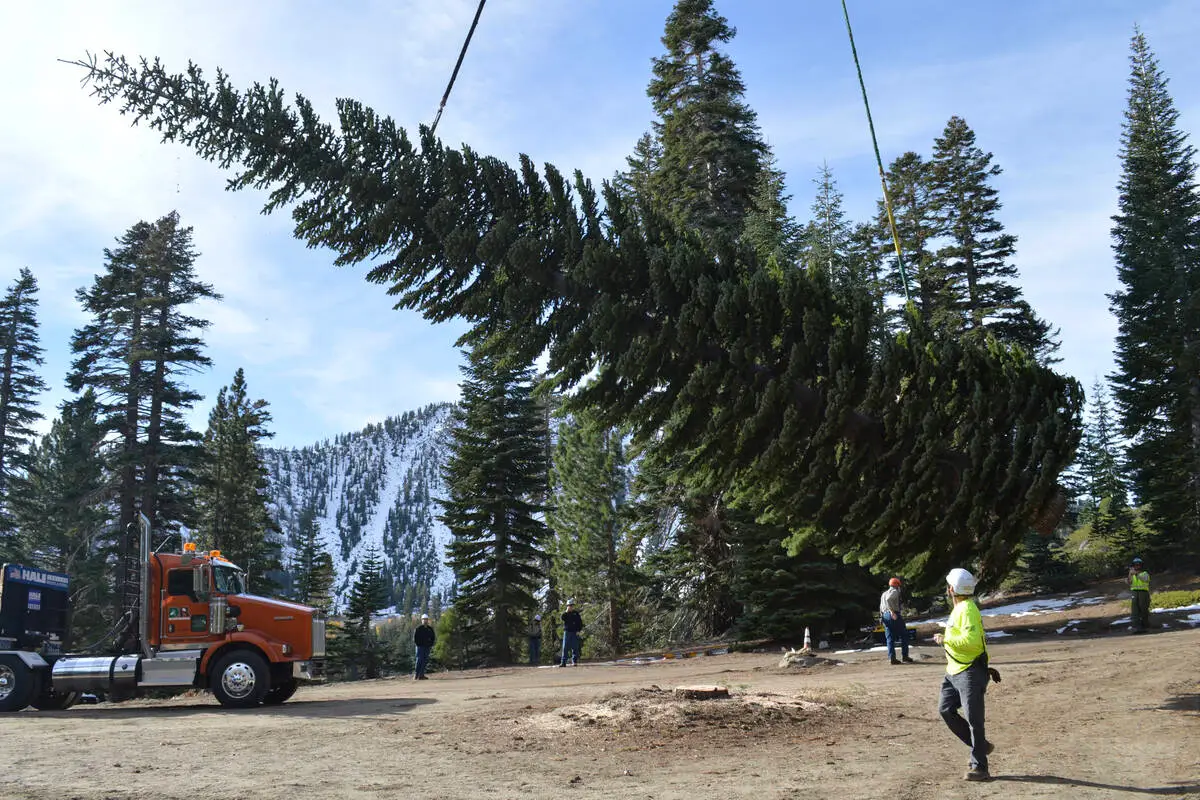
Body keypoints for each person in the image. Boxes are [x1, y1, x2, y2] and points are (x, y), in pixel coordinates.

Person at [933, 567, 993, 782]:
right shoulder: (960, 608)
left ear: (951, 589)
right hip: (954, 671)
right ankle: (981, 746)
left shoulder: (967, 609)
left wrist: (945, 640)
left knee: (974, 720)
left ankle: (980, 767)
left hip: (969, 672)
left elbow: (972, 642)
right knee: (945, 710)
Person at [880, 576, 913, 665]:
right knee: (904, 635)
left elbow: (881, 607)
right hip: (893, 614)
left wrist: (882, 617)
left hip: (885, 616)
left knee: (890, 638)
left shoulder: (884, 594)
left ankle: (892, 658)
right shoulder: (895, 591)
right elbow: (889, 599)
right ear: (897, 585)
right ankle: (905, 656)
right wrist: (892, 612)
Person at [1128, 557, 1151, 633]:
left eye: (1138, 565)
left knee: (1143, 609)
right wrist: (1130, 574)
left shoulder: (1145, 573)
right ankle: (1136, 626)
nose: (1137, 566)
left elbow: (1145, 579)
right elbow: (1129, 582)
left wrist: (1137, 574)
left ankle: (1145, 625)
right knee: (1135, 610)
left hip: (1143, 592)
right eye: (1135, 565)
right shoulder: (1132, 574)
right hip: (1134, 592)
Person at [560, 599, 583, 667]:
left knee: (575, 647)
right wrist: (566, 611)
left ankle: (574, 661)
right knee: (565, 647)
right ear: (567, 606)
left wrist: (579, 630)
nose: (571, 607)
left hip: (575, 632)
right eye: (569, 605)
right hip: (567, 632)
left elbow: (580, 622)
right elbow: (562, 618)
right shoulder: (565, 613)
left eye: (572, 605)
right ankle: (563, 662)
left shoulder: (576, 613)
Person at [413, 613, 436, 680]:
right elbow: (415, 638)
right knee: (419, 660)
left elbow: (433, 637)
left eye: (426, 619)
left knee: (425, 661)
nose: (425, 620)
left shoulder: (430, 629)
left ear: (427, 620)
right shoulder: (418, 628)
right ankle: (416, 675)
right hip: (420, 647)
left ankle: (421, 675)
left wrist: (430, 644)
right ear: (421, 620)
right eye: (424, 619)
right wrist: (418, 645)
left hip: (427, 647)